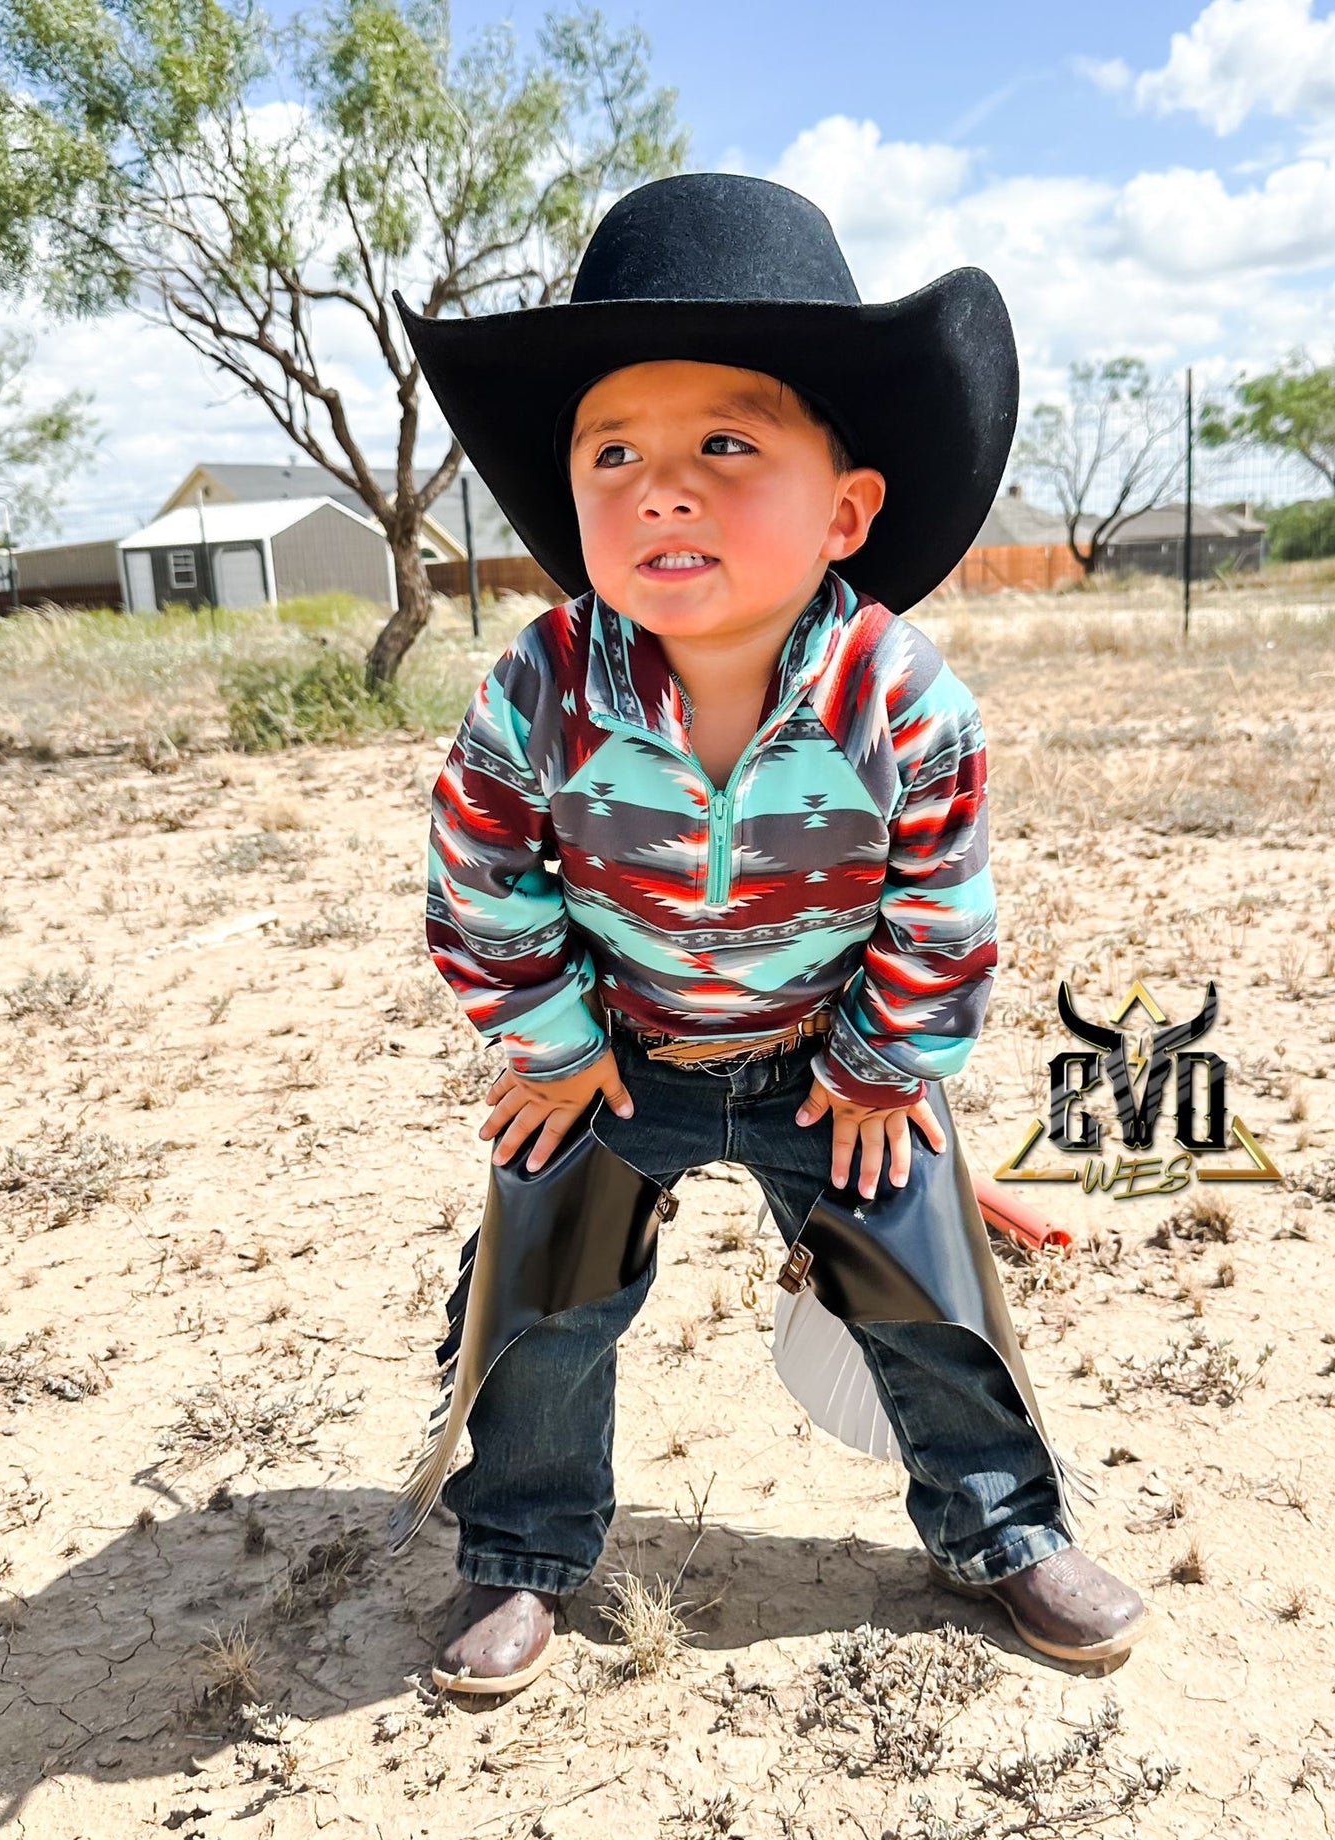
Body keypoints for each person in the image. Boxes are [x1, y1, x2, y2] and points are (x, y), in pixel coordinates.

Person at [393, 173, 1148, 1696]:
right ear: (573, 505)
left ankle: (1001, 1523)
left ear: (845, 509)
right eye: (618, 453)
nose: (664, 485)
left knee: (924, 1283)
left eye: (726, 445)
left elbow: (941, 904)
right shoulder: (542, 686)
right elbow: (481, 865)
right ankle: (523, 1546)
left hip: (832, 1060)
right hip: (611, 1053)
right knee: (547, 1291)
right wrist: (545, 1041)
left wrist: (886, 1070)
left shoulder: (900, 696)